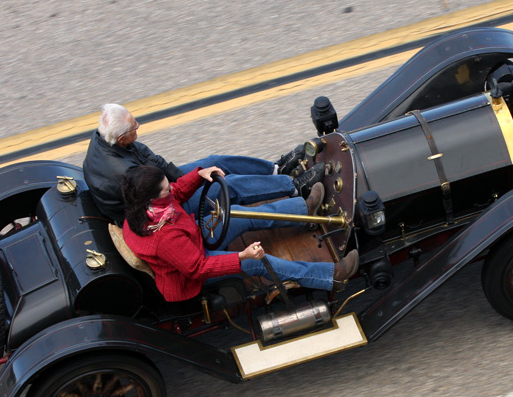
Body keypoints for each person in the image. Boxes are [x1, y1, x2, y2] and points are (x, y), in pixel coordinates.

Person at [120, 165, 358, 302]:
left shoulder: (146, 208)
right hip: (189, 273)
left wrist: (198, 176)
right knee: (257, 263)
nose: (169, 188)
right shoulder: (164, 238)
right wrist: (241, 257)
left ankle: (304, 211)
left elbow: (177, 192)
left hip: (189, 240)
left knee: (236, 213)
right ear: (151, 197)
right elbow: (198, 268)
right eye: (164, 188)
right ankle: (331, 276)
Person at [83, 103, 323, 225]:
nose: (139, 130)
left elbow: (152, 159)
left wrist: (189, 175)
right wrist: (194, 181)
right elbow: (163, 194)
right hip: (161, 212)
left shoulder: (107, 139)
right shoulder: (124, 174)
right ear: (122, 138)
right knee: (225, 186)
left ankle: (276, 170)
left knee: (213, 163)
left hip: (156, 188)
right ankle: (293, 186)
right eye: (136, 128)